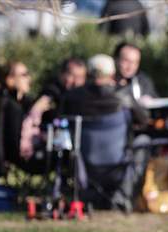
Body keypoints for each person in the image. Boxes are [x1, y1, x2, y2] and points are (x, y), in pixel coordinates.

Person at [61, 54, 150, 212]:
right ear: (112, 73)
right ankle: (123, 197)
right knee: (144, 141)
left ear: (88, 72)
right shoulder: (124, 95)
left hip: (84, 165)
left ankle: (77, 194)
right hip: (118, 163)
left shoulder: (72, 97)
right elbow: (143, 120)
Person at [0, 61, 46, 179]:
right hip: (15, 157)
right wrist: (0, 165)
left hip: (29, 152)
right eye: (24, 75)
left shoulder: (24, 101)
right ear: (9, 79)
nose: (29, 78)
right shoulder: (2, 101)